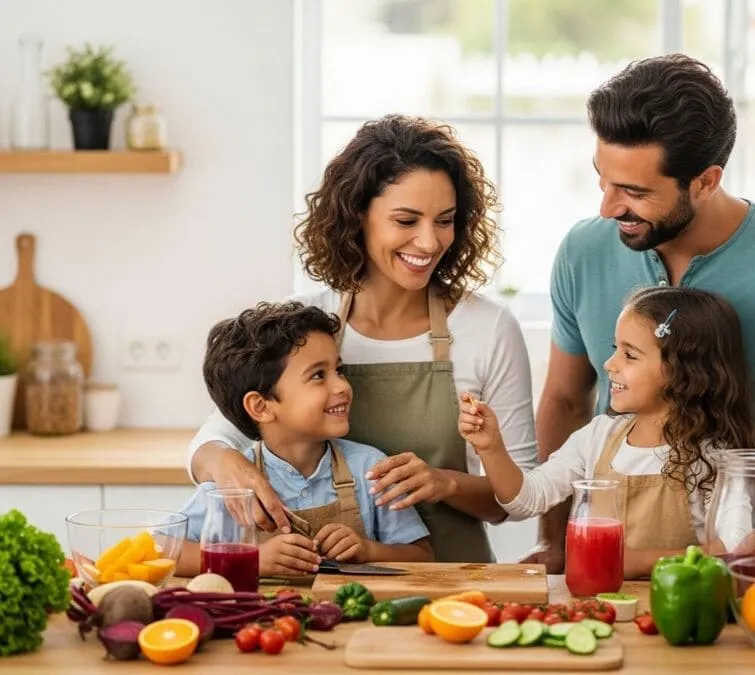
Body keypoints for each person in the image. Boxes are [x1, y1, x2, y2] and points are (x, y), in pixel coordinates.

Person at [526, 53, 755, 574]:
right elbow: (565, 400)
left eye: (634, 191)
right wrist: (554, 541)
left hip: (734, 582)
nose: (608, 207)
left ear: (705, 180)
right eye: (603, 179)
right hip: (606, 573)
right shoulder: (582, 252)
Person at [186, 115, 537, 563]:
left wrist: (445, 482)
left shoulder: (487, 327)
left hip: (454, 582)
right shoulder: (312, 324)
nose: (429, 242)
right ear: (357, 216)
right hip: (326, 590)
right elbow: (213, 439)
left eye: (445, 220)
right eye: (406, 220)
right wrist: (224, 464)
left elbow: (520, 496)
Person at [461, 286, 755, 578]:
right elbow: (527, 499)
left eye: (630, 356)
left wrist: (642, 562)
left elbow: (736, 551)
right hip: (596, 605)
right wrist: (492, 448)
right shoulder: (599, 436)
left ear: (684, 370)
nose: (609, 364)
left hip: (672, 612)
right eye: (615, 349)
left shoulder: (713, 457)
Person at [176, 301, 433, 579]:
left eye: (339, 370)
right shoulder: (234, 485)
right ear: (261, 407)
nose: (342, 386)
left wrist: (368, 551)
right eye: (318, 375)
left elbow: (423, 557)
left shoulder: (371, 469)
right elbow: (160, 550)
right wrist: (253, 559)